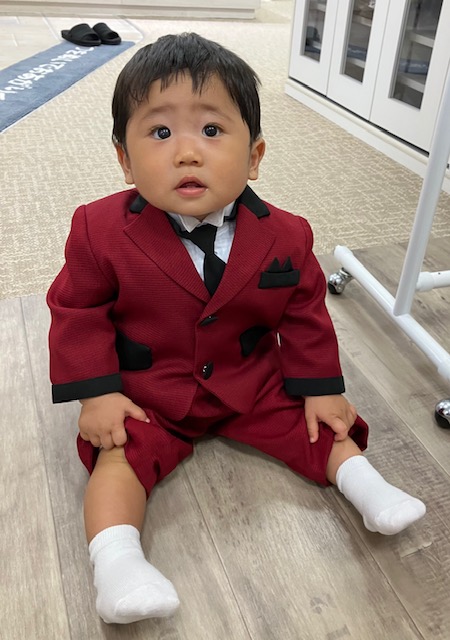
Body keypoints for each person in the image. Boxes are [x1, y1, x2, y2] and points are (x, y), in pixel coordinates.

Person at [47, 32, 426, 626]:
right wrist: (97, 394)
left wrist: (321, 387)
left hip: (251, 380)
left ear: (254, 156)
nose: (187, 153)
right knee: (117, 457)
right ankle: (117, 564)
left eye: (212, 130)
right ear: (124, 159)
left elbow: (304, 312)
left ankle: (366, 485)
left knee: (321, 424)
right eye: (160, 132)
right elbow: (77, 311)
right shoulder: (98, 230)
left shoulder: (288, 234)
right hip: (150, 393)